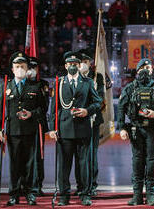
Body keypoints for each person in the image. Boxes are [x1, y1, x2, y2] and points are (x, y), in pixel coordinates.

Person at [49, 51, 102, 206]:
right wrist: (52, 128)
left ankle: (85, 194)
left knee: (84, 164)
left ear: (80, 66)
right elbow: (54, 107)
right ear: (66, 66)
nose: (72, 66)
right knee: (64, 165)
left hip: (83, 128)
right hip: (64, 130)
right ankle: (64, 195)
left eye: (75, 64)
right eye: (70, 64)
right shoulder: (59, 82)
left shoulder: (87, 82)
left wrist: (87, 110)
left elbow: (98, 102)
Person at [0, 51, 47, 206]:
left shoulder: (36, 86)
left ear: (27, 68)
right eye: (17, 66)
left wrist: (31, 113)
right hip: (13, 131)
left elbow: (43, 109)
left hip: (30, 131)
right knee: (14, 164)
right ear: (12, 69)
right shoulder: (6, 86)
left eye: (22, 66)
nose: (20, 69)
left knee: (30, 164)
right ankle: (14, 194)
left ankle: (31, 193)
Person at [117, 58, 154, 206]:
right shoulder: (130, 88)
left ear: (152, 70)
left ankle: (151, 195)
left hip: (153, 129)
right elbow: (121, 107)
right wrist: (121, 128)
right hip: (136, 129)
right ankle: (137, 195)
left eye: (148, 68)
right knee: (137, 162)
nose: (145, 70)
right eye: (142, 68)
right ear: (137, 71)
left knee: (152, 162)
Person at [74, 49, 104, 196]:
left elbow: (100, 98)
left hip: (93, 120)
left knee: (92, 153)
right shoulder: (75, 77)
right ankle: (80, 185)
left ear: (91, 63)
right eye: (81, 62)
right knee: (79, 154)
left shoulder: (97, 77)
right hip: (78, 121)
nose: (83, 65)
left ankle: (92, 184)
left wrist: (88, 110)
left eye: (86, 62)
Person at [26, 57, 49, 196]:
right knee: (23, 156)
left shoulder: (43, 84)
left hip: (37, 123)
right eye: (28, 67)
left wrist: (32, 114)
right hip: (22, 125)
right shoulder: (19, 83)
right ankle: (24, 184)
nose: (31, 71)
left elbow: (44, 106)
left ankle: (37, 184)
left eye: (34, 68)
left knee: (38, 156)